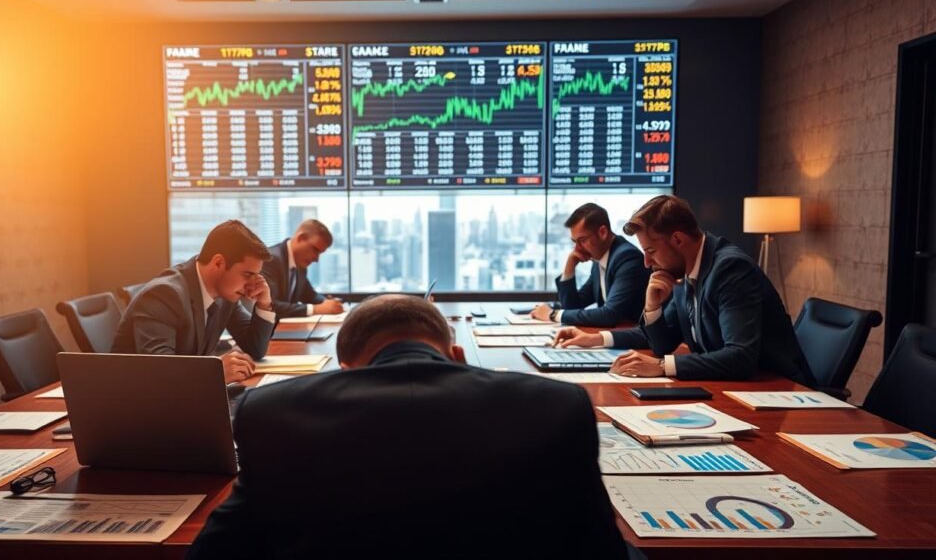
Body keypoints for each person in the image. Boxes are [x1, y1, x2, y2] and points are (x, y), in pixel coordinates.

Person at [188, 295, 629, 560]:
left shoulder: (269, 411)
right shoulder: (557, 405)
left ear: (345, 370)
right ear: (456, 354)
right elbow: (599, 547)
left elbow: (217, 550)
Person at [552, 195, 815, 386]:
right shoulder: (684, 272)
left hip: (780, 392)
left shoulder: (730, 270)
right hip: (735, 388)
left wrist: (662, 366)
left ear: (677, 240)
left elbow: (741, 357)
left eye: (651, 251)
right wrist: (652, 308)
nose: (646, 262)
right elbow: (662, 343)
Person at [110, 220, 276, 383]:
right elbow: (159, 373)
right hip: (141, 402)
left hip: (185, 397)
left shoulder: (226, 296)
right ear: (218, 263)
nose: (253, 285)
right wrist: (213, 374)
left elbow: (254, 348)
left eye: (257, 276)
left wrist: (264, 304)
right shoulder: (164, 294)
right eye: (247, 275)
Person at [531, 202, 650, 326]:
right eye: (574, 242)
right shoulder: (600, 258)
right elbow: (573, 307)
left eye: (582, 240)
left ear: (602, 232)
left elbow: (610, 315)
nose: (577, 249)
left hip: (636, 341)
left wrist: (553, 315)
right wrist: (569, 266)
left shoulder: (627, 258)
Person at [261, 219, 343, 319]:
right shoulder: (270, 259)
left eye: (320, 253)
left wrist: (327, 303)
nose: (316, 259)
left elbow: (310, 296)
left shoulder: (299, 264)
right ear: (301, 238)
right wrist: (316, 309)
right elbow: (270, 305)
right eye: (315, 250)